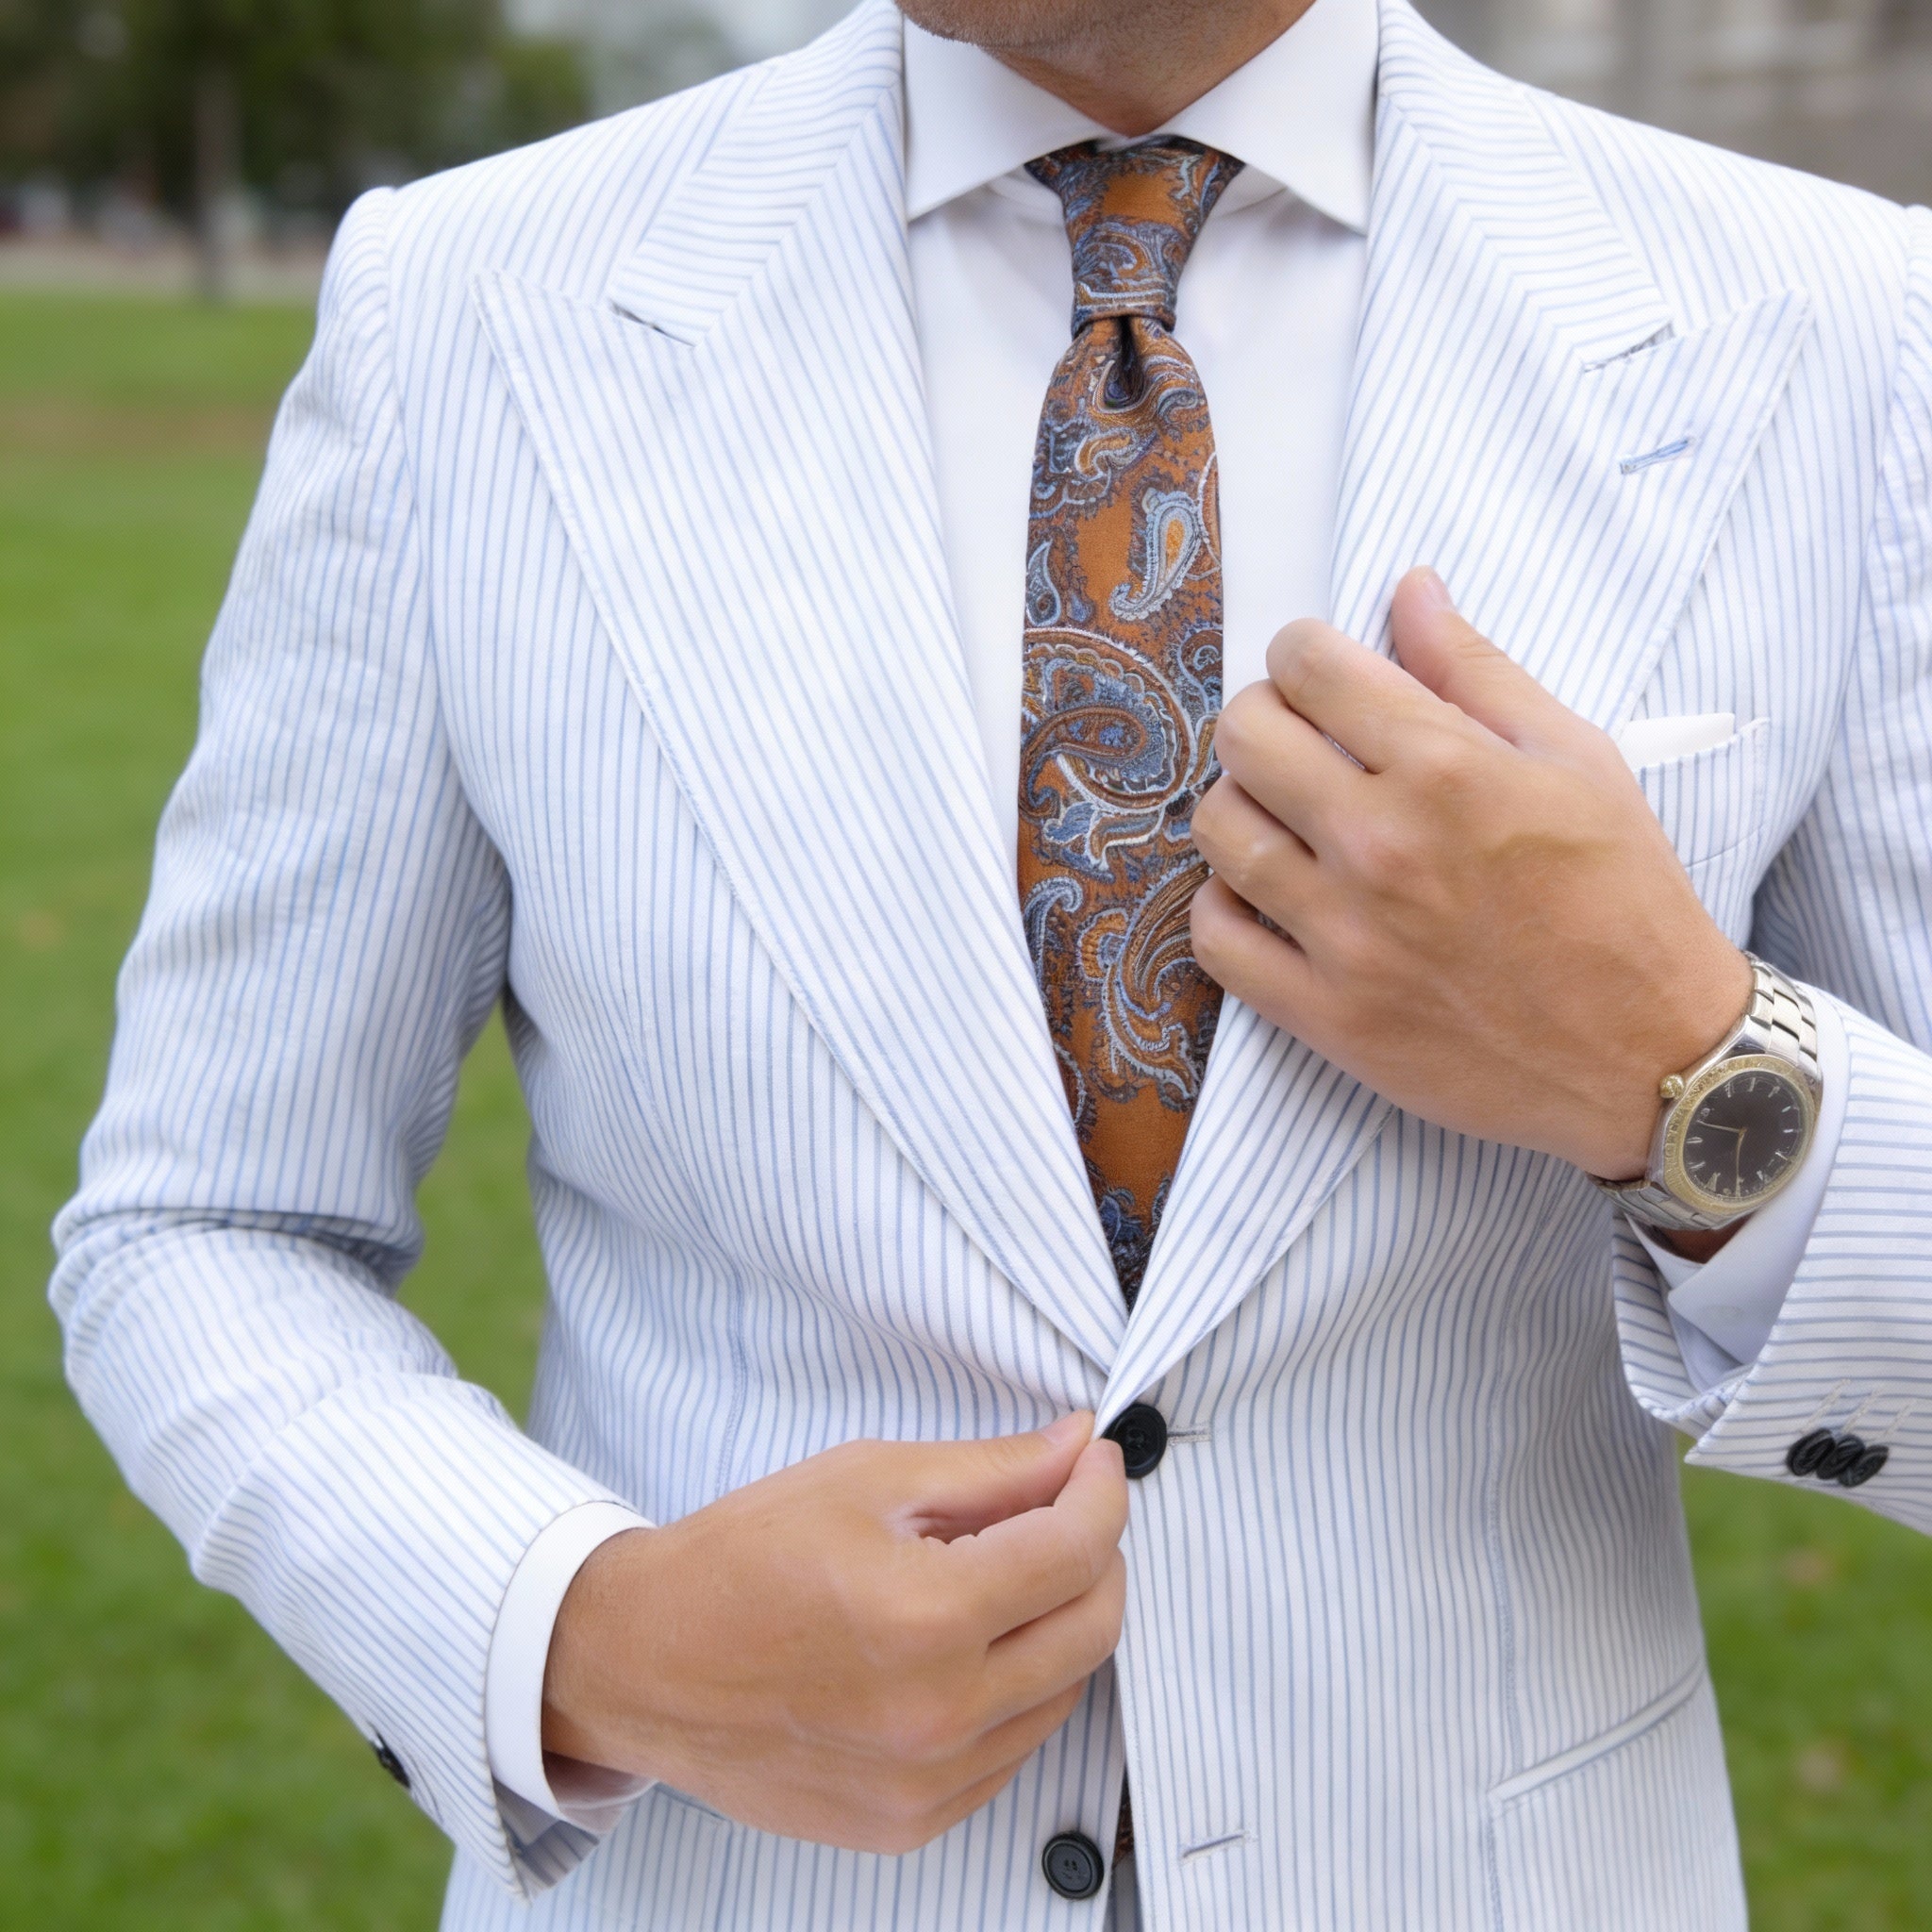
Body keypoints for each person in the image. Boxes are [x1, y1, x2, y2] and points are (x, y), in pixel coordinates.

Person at [50, 0, 1932, 1923]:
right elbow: (207, 1225)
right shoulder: (466, 307)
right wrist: (581, 1636)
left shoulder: (1835, 325)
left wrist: (1687, 1074)